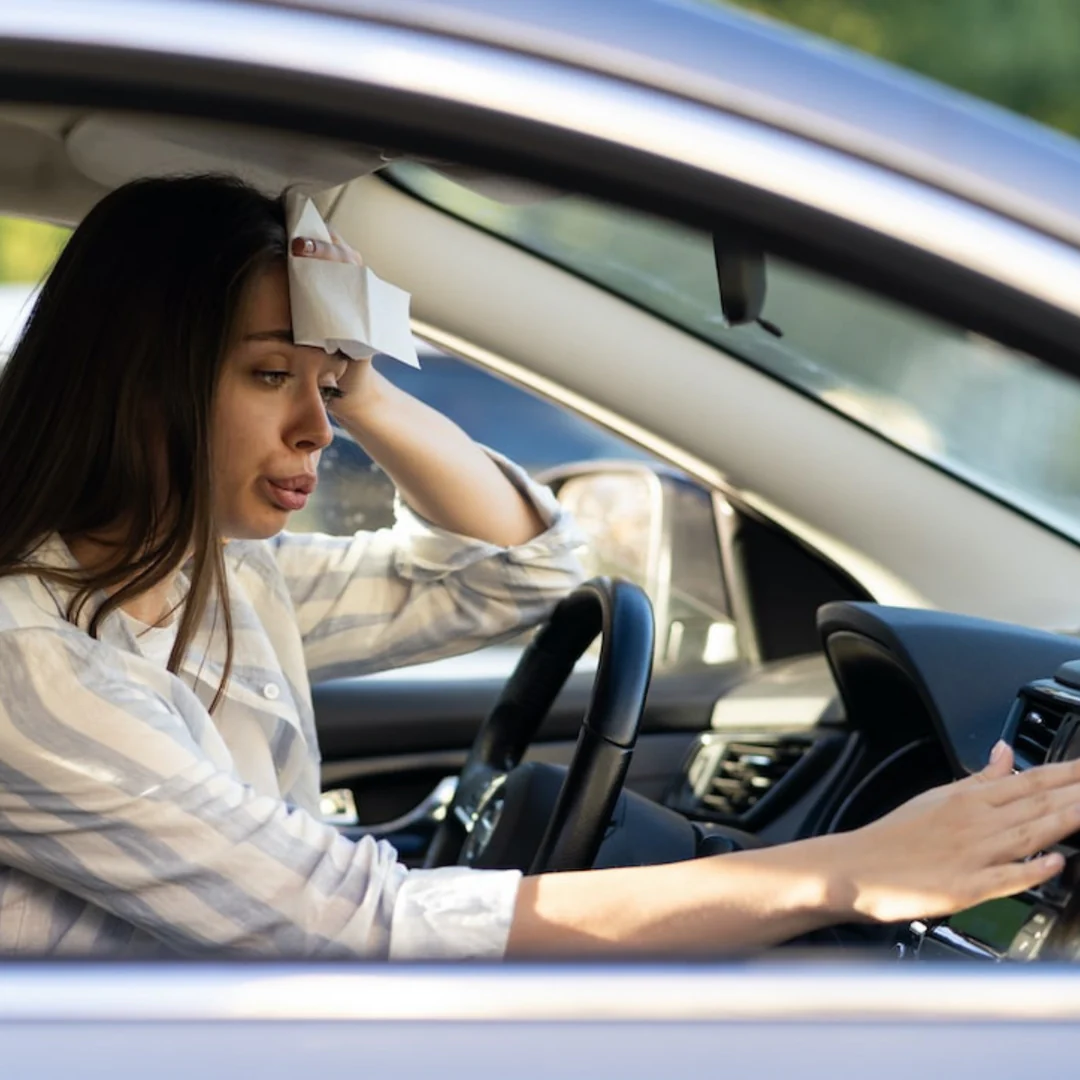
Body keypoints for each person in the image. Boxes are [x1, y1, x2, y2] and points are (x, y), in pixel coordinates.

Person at [0, 174, 1076, 960]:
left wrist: (356, 373)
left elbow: (516, 573)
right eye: (270, 375)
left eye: (324, 388)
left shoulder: (215, 577)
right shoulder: (31, 662)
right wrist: (848, 871)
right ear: (139, 380)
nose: (318, 431)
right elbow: (365, 926)